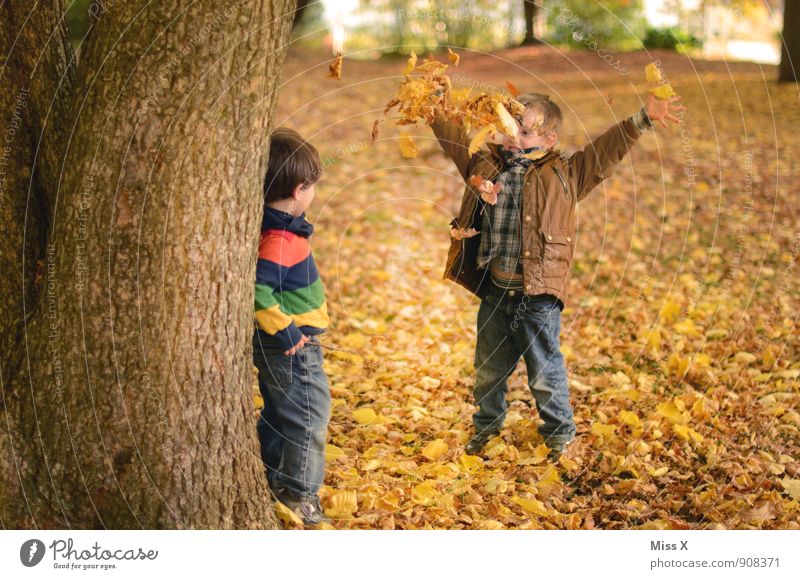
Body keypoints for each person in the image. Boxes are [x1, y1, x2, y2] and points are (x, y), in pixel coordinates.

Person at [429, 91, 684, 459]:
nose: (514, 137)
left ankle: (559, 431)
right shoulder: (485, 163)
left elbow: (603, 154)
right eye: (509, 127)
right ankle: (487, 427)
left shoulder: (565, 174)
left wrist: (642, 118)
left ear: (549, 140)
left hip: (537, 296)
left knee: (544, 373)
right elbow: (454, 140)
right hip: (496, 292)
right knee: (488, 369)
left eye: (526, 132)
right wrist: (434, 108)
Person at [253, 127, 331, 525]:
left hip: (289, 341)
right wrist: (286, 331)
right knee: (308, 415)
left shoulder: (279, 230)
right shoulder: (280, 238)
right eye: (314, 186)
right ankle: (298, 492)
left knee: (281, 411)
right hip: (291, 344)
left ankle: (269, 472)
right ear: (300, 189)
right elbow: (259, 290)